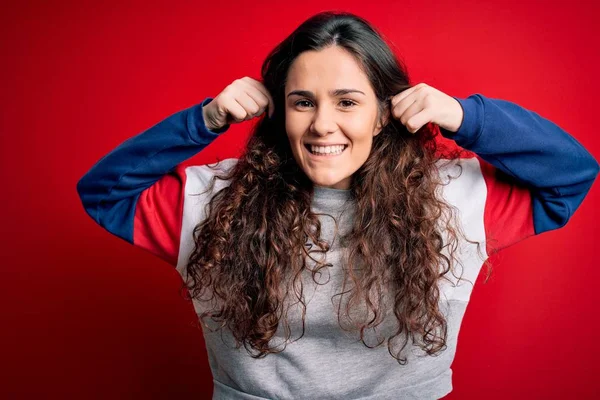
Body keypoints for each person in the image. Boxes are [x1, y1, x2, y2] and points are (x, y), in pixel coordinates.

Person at [76, 11, 598, 400]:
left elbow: (570, 174)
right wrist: (205, 119)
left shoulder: (454, 199)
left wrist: (466, 116)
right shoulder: (212, 202)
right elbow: (104, 192)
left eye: (347, 102)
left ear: (382, 115)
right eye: (303, 102)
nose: (323, 124)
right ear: (281, 112)